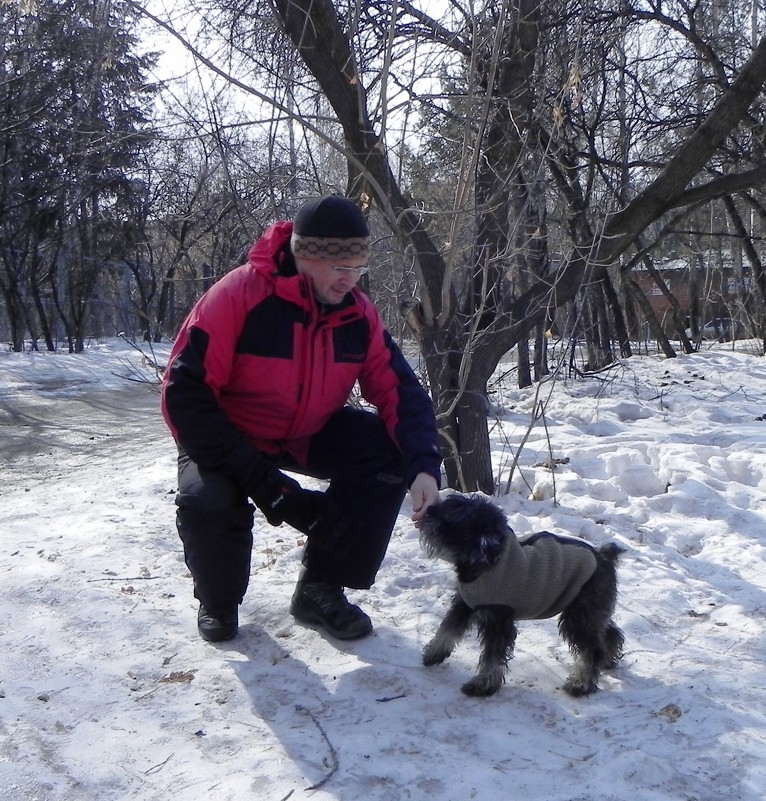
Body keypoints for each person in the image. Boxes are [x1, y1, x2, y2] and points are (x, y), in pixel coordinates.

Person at [161, 195, 442, 643]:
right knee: (208, 501)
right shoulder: (237, 296)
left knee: (387, 454)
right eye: (340, 268)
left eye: (358, 268)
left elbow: (400, 392)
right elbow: (184, 396)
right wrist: (270, 488)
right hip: (227, 435)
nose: (351, 280)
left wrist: (424, 465)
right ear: (305, 256)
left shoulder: (358, 313)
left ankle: (320, 589)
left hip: (304, 433)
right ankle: (218, 600)